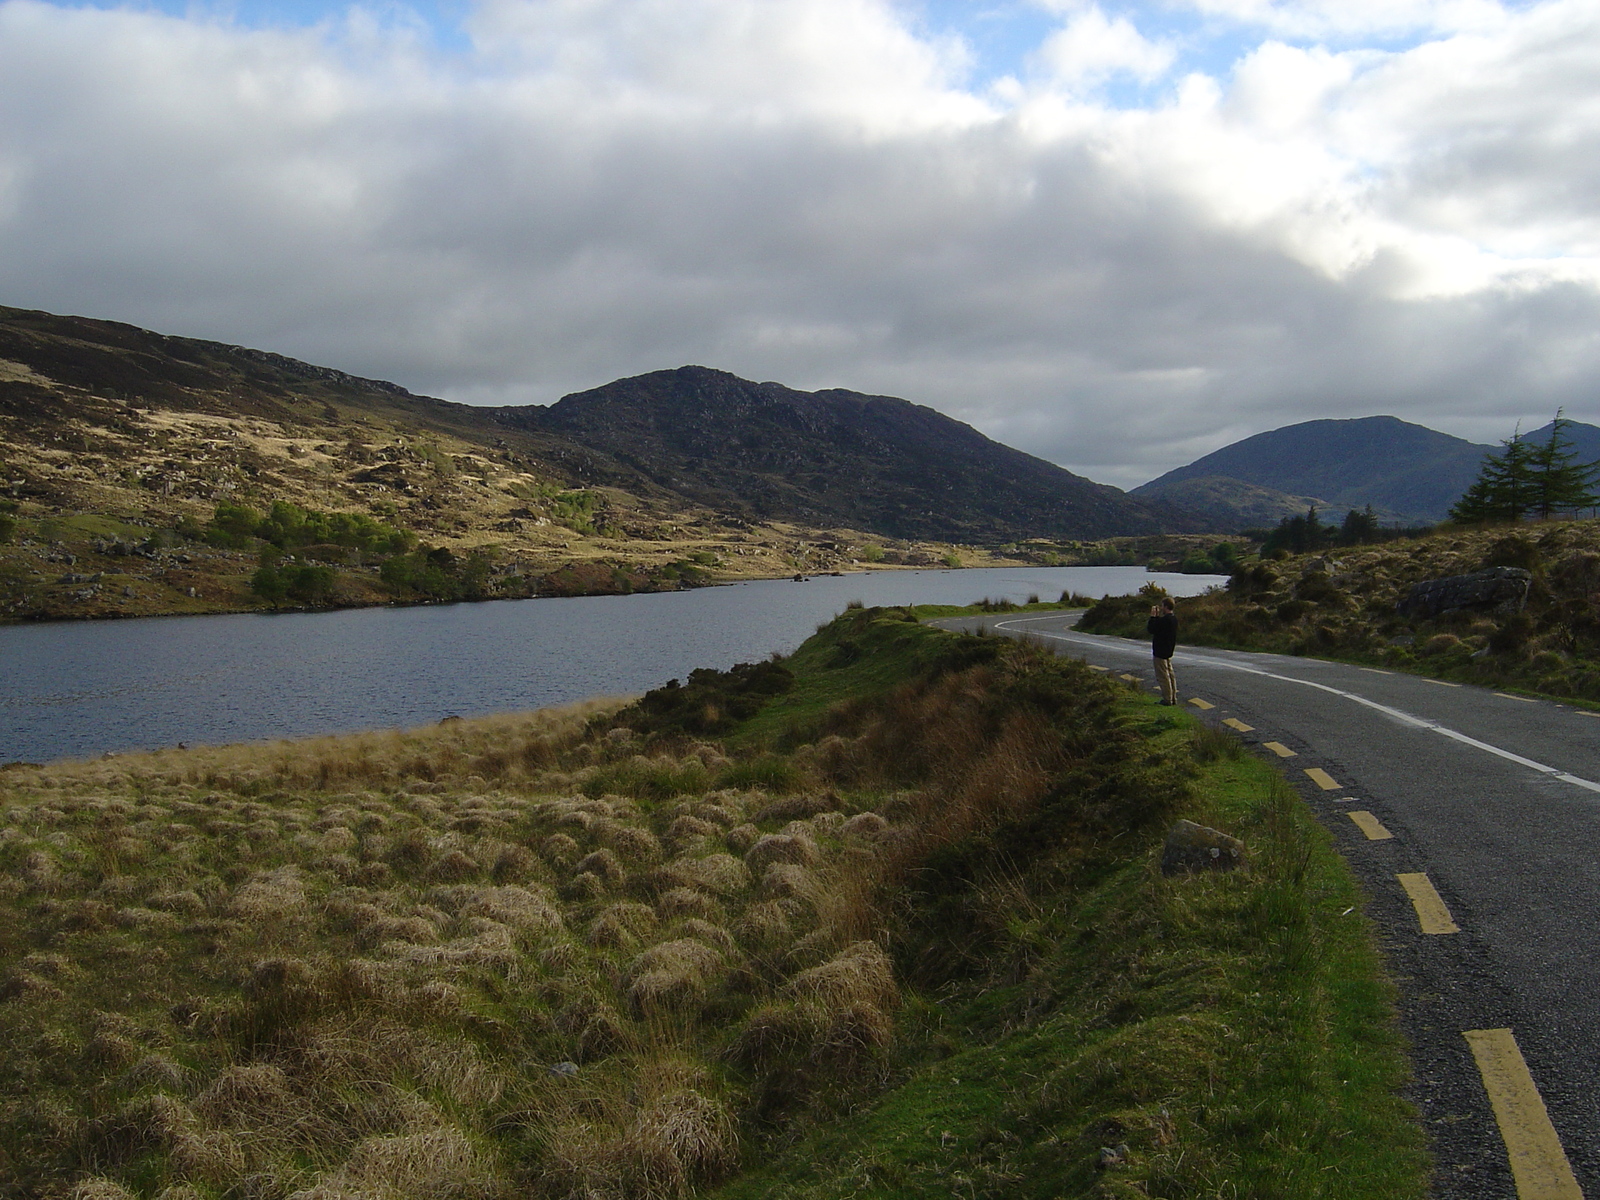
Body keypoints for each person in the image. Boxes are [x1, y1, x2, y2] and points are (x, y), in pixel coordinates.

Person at [1147, 596, 1178, 705]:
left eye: (1162, 606)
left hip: (1160, 651)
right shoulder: (1173, 619)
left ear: (1165, 606)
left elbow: (1151, 629)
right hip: (1168, 650)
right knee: (1170, 675)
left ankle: (1167, 699)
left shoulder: (1165, 620)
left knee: (1163, 677)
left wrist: (1153, 617)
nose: (1161, 608)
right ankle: (1173, 697)